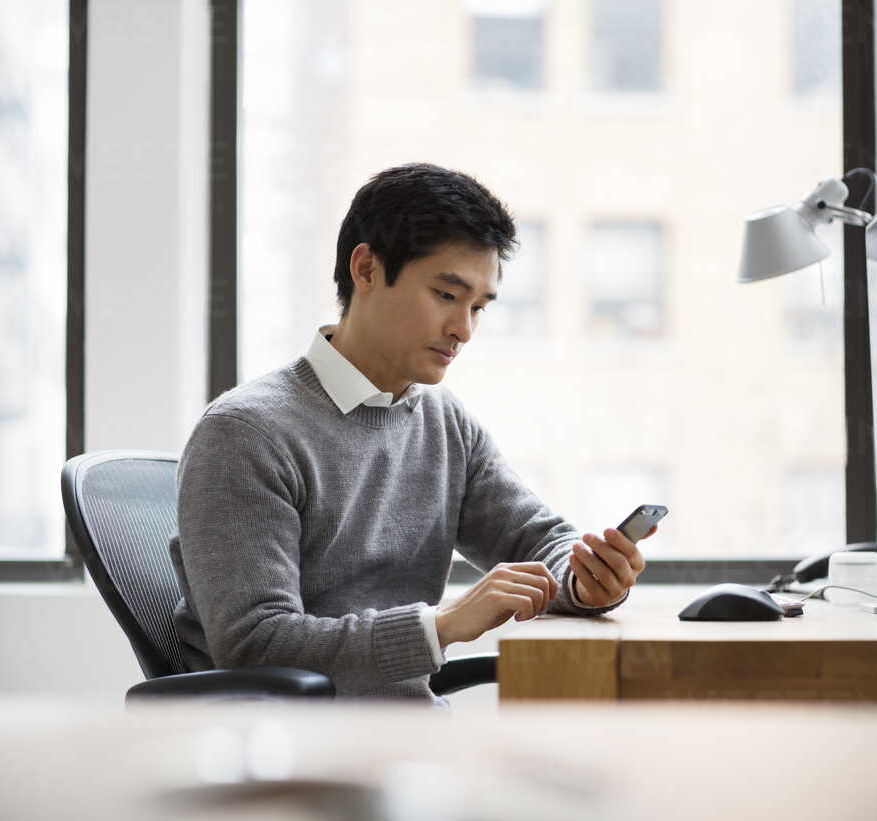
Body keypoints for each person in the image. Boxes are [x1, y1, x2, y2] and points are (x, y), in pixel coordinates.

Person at [169, 163, 656, 701]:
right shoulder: (246, 434)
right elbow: (256, 646)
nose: (463, 330)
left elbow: (539, 540)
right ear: (367, 268)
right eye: (447, 295)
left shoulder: (444, 423)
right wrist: (442, 625)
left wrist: (584, 582)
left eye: (478, 307)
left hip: (412, 741)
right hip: (295, 756)